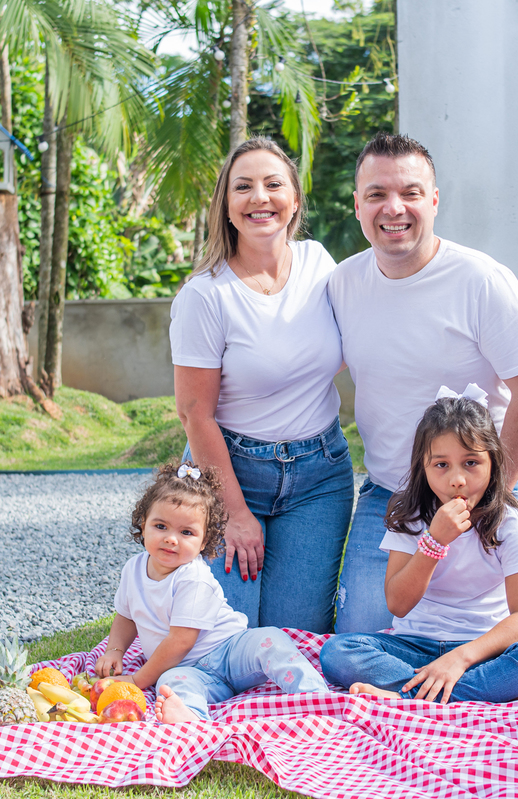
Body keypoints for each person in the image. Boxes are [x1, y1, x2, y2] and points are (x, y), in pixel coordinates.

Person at [330, 132, 518, 638]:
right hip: (394, 496)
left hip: (493, 487)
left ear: (434, 199)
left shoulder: (482, 280)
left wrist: (490, 497)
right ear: (357, 205)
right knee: (357, 643)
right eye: (377, 194)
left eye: (411, 193)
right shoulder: (342, 284)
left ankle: (451, 675)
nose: (395, 208)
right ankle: (430, 685)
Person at [169, 137, 354, 633]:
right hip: (226, 472)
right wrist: (234, 513)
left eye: (274, 184)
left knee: (297, 636)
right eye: (243, 187)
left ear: (294, 199)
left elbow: (344, 346)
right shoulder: (205, 296)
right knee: (225, 633)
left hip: (319, 477)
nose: (259, 198)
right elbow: (195, 415)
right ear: (226, 206)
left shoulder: (318, 263)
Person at [319, 389, 518, 703]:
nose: (457, 479)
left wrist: (459, 658)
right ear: (424, 466)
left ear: (493, 462)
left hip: (481, 653)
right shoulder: (411, 518)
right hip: (413, 647)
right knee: (338, 652)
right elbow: (398, 604)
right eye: (442, 465)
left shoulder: (508, 523)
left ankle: (409, 695)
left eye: (471, 462)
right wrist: (434, 542)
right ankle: (441, 693)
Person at [94, 461, 330, 723]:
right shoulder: (133, 569)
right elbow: (126, 616)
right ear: (143, 522)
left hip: (229, 652)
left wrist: (138, 680)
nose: (172, 539)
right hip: (188, 670)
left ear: (204, 541)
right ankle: (191, 717)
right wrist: (115, 649)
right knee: (170, 682)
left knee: (270, 640)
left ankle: (316, 698)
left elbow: (180, 641)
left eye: (186, 532)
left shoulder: (193, 578)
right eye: (161, 526)